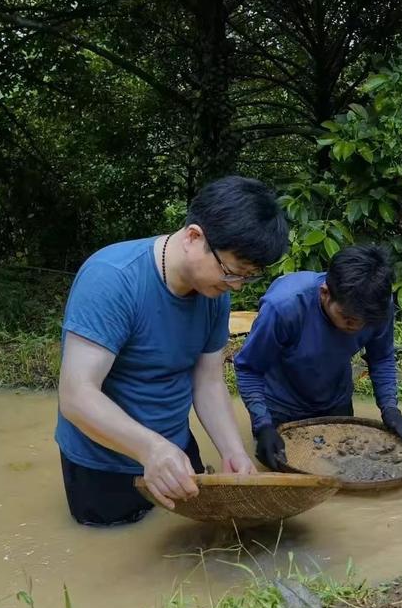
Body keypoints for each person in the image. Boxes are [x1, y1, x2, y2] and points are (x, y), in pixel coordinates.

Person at [56, 176, 288, 526]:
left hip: (173, 448)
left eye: (247, 277)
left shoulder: (215, 293)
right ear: (194, 237)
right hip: (103, 461)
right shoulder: (112, 279)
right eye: (232, 272)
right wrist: (149, 449)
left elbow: (208, 382)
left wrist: (233, 452)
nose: (236, 286)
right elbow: (76, 396)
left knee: (190, 542)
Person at [234, 245, 402, 471]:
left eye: (365, 321)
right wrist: (263, 425)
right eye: (348, 318)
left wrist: (390, 408)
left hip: (335, 401)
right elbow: (249, 368)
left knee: (344, 468)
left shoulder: (376, 307)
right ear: (325, 293)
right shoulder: (284, 307)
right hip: (280, 407)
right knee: (290, 476)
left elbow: (381, 358)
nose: (358, 326)